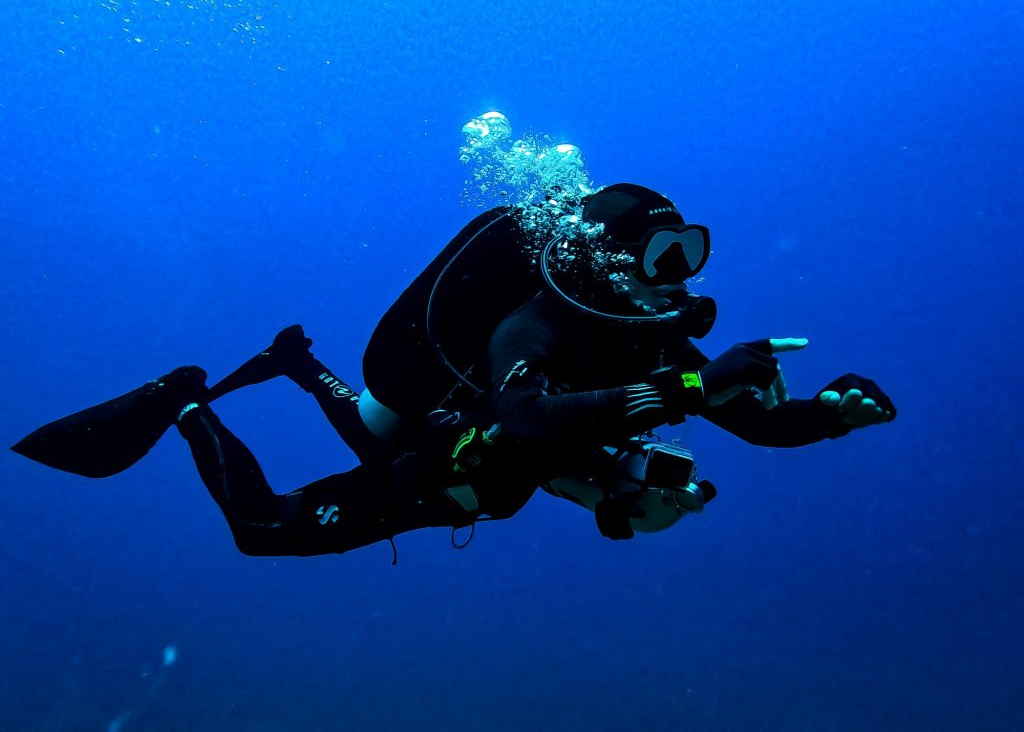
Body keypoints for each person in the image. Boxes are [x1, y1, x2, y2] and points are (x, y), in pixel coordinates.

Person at [12, 183, 896, 559]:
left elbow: (754, 420)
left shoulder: (650, 340)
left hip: (447, 456)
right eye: (663, 255)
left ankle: (292, 360)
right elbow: (526, 421)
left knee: (372, 430)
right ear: (607, 256)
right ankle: (184, 406)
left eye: (689, 255)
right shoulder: (535, 321)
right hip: (456, 462)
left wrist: (828, 414)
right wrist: (694, 388)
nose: (681, 277)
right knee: (262, 530)